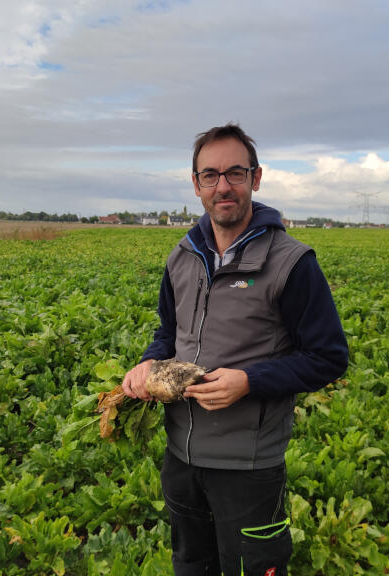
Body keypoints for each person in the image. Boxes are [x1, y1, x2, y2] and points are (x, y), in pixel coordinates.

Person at [122, 123, 348, 576]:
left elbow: (328, 357)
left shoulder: (292, 263)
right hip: (181, 457)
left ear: (255, 179)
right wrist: (149, 361)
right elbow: (170, 332)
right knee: (191, 565)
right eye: (210, 175)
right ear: (196, 184)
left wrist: (249, 382)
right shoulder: (182, 256)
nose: (223, 186)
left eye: (235, 173)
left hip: (248, 467)